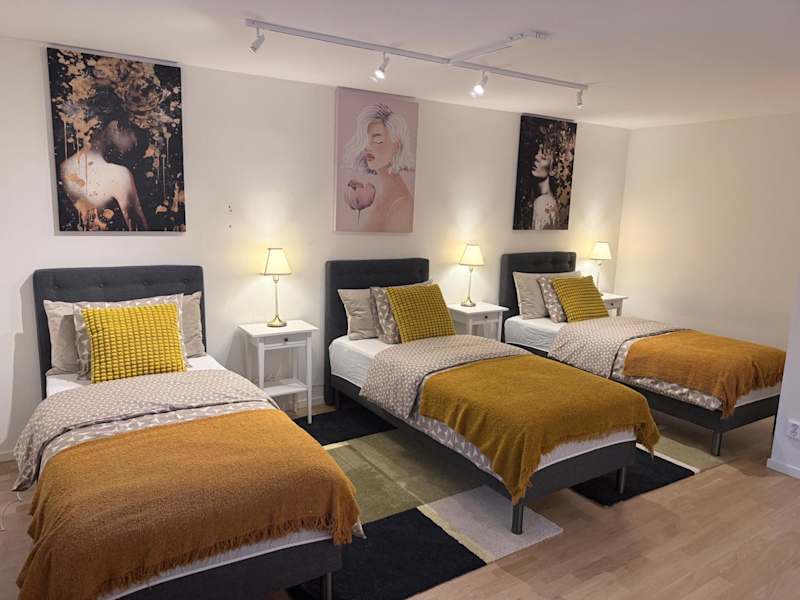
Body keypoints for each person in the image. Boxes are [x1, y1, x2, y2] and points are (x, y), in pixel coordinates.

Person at [60, 92, 148, 231]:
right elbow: (141, 233)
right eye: (133, 133)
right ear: (117, 126)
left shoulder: (64, 166)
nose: (134, 143)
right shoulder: (119, 175)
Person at [342, 103, 415, 232]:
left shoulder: (401, 204)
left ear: (397, 145)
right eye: (365, 140)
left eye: (377, 140)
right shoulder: (378, 194)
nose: (367, 147)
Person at [530, 145, 558, 230]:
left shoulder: (542, 202)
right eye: (537, 152)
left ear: (553, 170)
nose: (536, 157)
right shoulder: (550, 201)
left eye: (544, 157)